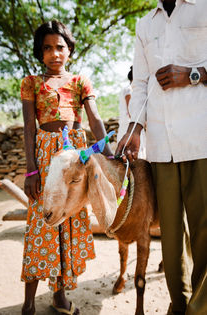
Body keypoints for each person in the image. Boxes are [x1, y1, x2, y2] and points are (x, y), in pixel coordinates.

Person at [116, 1, 207, 314]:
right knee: (169, 235)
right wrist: (134, 129)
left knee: (204, 229)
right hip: (161, 144)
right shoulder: (145, 25)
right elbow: (140, 83)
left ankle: (200, 307)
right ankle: (180, 305)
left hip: (202, 138)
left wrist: (193, 74)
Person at [21, 20, 113, 315]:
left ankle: (59, 297)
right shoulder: (32, 83)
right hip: (46, 159)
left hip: (74, 161)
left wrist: (108, 156)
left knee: (67, 225)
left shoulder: (80, 82)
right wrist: (32, 171)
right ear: (40, 53)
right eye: (47, 48)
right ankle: (28, 303)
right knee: (40, 224)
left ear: (69, 50)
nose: (54, 53)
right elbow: (28, 130)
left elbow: (96, 120)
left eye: (60, 47)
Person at [117, 66, 146, 159]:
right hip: (130, 126)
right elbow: (132, 112)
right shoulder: (129, 90)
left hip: (130, 125)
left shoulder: (130, 89)